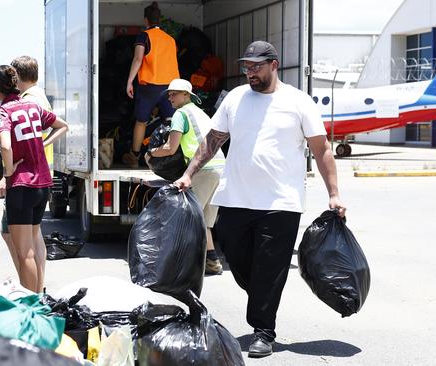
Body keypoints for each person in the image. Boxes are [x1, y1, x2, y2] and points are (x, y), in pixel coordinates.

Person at [173, 41, 347, 358]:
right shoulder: (236, 99)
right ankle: (263, 296)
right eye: (247, 66)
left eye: (256, 66)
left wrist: (333, 193)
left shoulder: (298, 102)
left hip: (281, 203)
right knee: (236, 257)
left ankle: (263, 330)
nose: (250, 72)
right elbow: (213, 140)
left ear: (274, 65)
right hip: (236, 199)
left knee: (269, 268)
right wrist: (189, 173)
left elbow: (321, 150)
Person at [0, 65, 68, 293]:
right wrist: (41, 144)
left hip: (22, 186)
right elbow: (62, 126)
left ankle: (31, 306)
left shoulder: (3, 112)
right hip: (43, 184)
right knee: (33, 246)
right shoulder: (32, 106)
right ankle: (37, 300)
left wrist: (8, 171)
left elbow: (5, 144)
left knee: (25, 253)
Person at [145, 79, 225, 275]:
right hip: (220, 167)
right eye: (169, 94)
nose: (170, 97)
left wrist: (151, 153)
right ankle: (212, 262)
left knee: (186, 218)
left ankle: (180, 265)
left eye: (175, 94)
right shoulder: (199, 112)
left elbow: (170, 147)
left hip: (203, 170)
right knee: (203, 220)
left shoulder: (180, 114)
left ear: (187, 95)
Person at [0, 56, 53, 275]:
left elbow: (10, 144)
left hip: (25, 176)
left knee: (23, 244)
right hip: (40, 174)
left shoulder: (26, 100)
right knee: (32, 238)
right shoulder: (37, 97)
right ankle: (35, 288)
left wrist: (6, 174)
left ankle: (30, 288)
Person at [122, 1, 179, 168]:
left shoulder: (144, 36)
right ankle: (171, 156)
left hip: (149, 87)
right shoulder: (170, 40)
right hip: (170, 87)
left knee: (141, 121)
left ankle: (134, 157)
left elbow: (138, 58)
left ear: (146, 20)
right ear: (159, 20)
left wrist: (129, 81)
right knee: (171, 122)